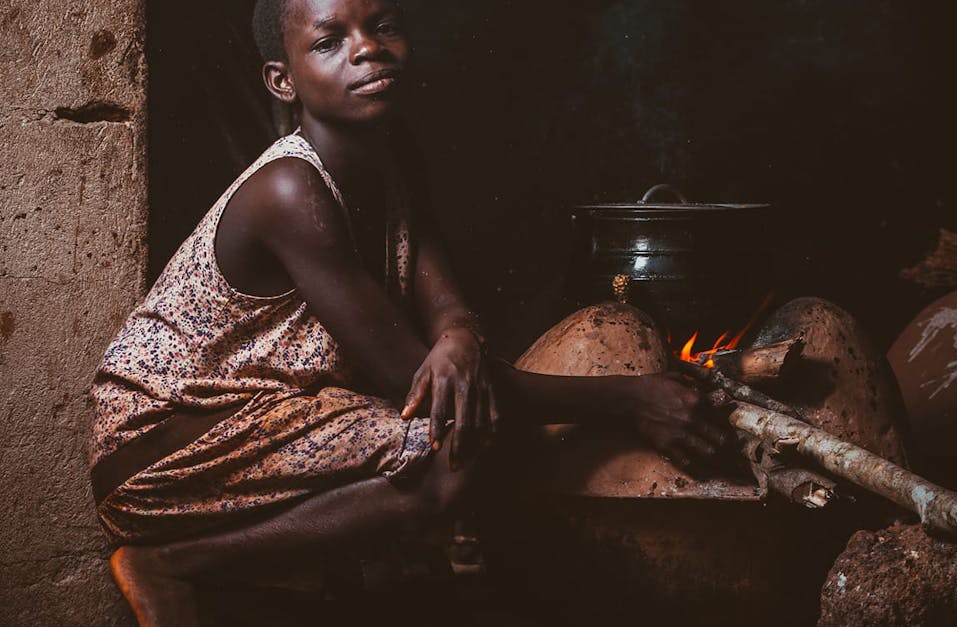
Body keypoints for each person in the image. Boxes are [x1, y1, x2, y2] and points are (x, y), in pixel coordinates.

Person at [90, 0, 730, 624]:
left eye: (383, 26)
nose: (367, 47)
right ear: (282, 81)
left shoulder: (391, 162)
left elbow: (445, 301)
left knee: (459, 422)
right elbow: (415, 382)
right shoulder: (289, 190)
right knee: (457, 446)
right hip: (163, 443)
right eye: (329, 41)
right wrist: (633, 398)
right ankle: (173, 563)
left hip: (264, 415)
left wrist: (455, 337)